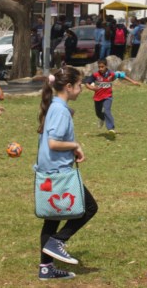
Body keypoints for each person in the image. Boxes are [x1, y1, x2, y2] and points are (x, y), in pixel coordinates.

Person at [36, 66, 98, 281]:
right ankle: (58, 241)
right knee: (89, 207)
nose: (81, 89)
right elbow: (54, 142)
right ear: (69, 87)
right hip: (59, 173)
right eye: (79, 86)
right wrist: (75, 145)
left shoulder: (55, 105)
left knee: (52, 218)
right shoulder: (60, 109)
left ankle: (46, 268)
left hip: (49, 172)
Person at [84, 58, 140, 136]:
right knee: (98, 113)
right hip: (98, 97)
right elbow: (86, 82)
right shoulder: (95, 75)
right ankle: (102, 118)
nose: (100, 68)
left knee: (107, 110)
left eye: (102, 67)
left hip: (108, 96)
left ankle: (111, 128)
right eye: (99, 67)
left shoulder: (111, 74)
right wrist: (91, 88)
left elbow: (122, 75)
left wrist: (133, 81)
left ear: (106, 66)